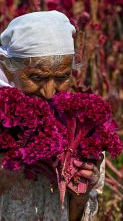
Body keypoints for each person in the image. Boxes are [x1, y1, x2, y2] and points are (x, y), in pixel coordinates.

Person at [0, 11, 105, 221]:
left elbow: (78, 217)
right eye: (37, 77)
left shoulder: (81, 128)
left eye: (61, 77)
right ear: (8, 68)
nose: (49, 91)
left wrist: (82, 193)